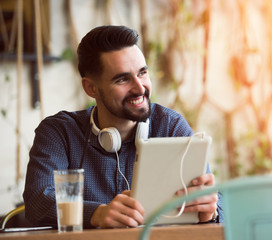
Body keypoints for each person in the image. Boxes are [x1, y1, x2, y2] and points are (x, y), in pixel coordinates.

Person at [23, 25, 223, 229]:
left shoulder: (171, 126)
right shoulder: (59, 132)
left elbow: (215, 205)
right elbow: (37, 201)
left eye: (142, 73)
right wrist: (97, 213)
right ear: (91, 88)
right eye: (122, 79)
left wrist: (209, 211)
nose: (139, 88)